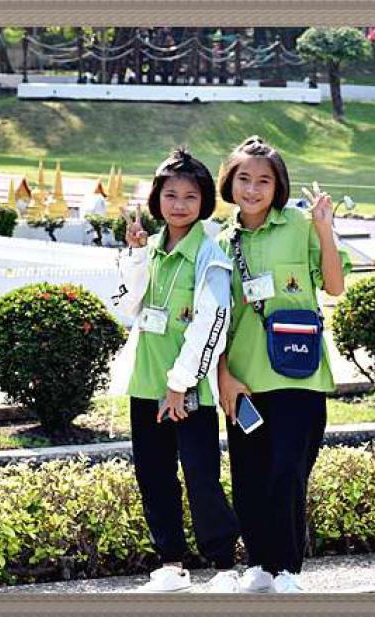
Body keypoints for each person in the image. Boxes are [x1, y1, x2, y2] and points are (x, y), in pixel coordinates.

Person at [215, 136, 351, 593]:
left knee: (288, 472)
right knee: (248, 475)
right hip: (244, 382)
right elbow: (216, 319)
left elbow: (334, 286)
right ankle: (259, 564)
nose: (253, 189)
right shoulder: (221, 242)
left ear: (278, 187)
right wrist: (223, 375)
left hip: (300, 377)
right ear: (229, 182)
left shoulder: (299, 224)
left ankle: (288, 569)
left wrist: (324, 229)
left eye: (264, 181)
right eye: (244, 179)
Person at [112, 148, 241, 593]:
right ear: (156, 199)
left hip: (190, 392)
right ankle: (170, 564)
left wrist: (179, 384)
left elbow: (213, 322)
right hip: (146, 385)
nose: (179, 205)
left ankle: (224, 567)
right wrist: (134, 255)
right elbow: (127, 305)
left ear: (204, 201)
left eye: (190, 196)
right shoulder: (148, 249)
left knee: (201, 476)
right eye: (170, 195)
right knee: (154, 477)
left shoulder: (210, 254)